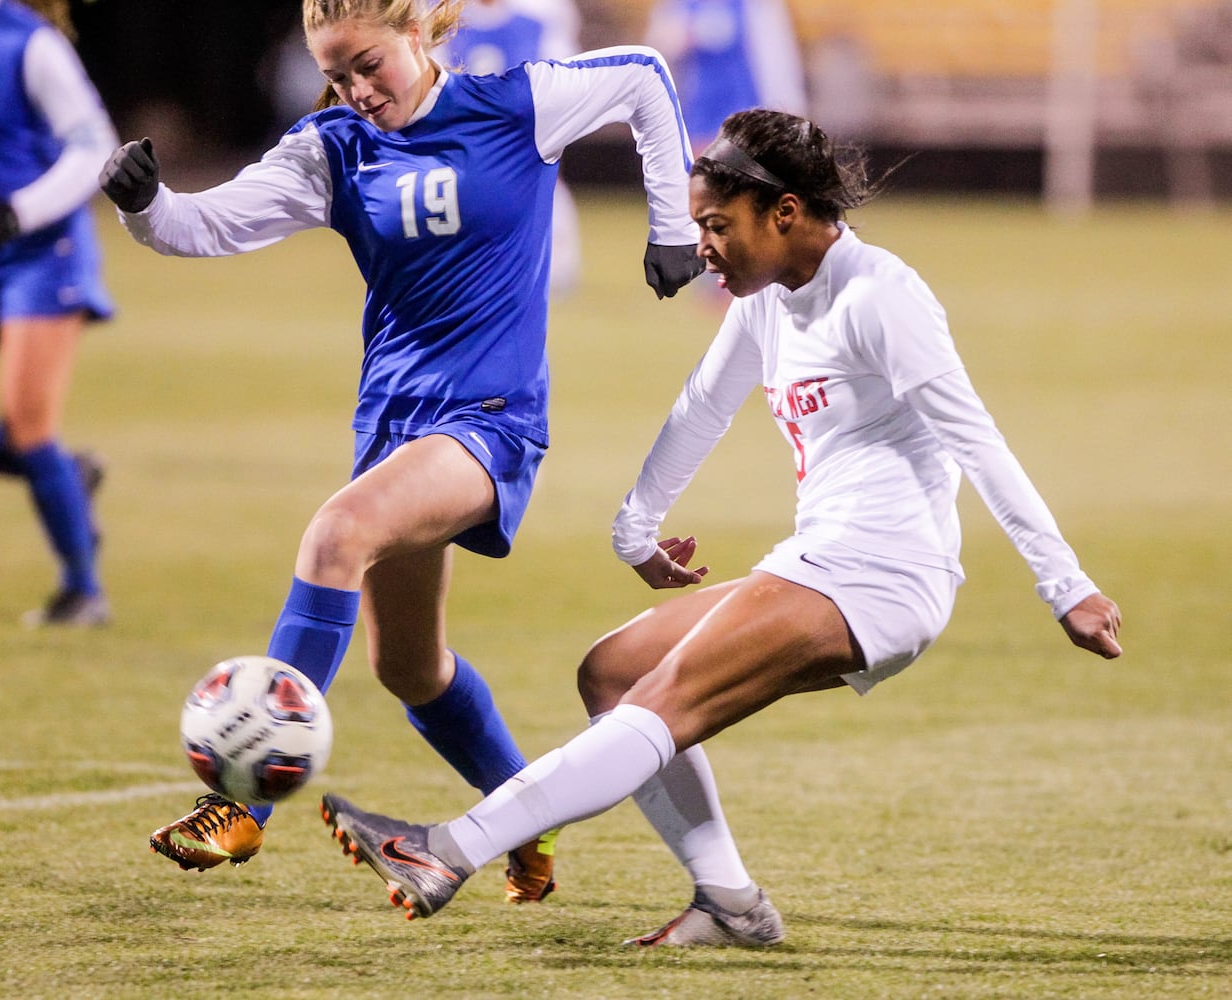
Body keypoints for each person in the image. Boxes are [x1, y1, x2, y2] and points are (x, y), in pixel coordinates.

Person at [316, 109, 1124, 947]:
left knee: (664, 700)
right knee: (615, 673)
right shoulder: (770, 299)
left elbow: (976, 441)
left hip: (883, 573)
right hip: (824, 560)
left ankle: (449, 849)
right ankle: (730, 902)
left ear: (783, 212)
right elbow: (703, 406)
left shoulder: (883, 296)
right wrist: (637, 528)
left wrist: (1066, 584)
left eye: (715, 224)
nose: (701, 244)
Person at [99, 0, 703, 902]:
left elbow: (646, 79)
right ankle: (523, 824)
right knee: (408, 668)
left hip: (490, 421)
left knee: (336, 537)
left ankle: (239, 815)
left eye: (367, 64)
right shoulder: (331, 147)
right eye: (334, 74)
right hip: (392, 426)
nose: (355, 89)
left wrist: (673, 227)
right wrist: (146, 205)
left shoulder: (515, 105)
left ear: (419, 36)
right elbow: (207, 225)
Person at [0, 0, 116, 626]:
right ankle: (66, 477)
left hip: (41, 251)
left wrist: (19, 211)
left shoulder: (31, 44)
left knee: (27, 424)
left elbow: (94, 146)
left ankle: (83, 591)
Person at [436, 0, 582, 292]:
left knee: (544, 189)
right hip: (469, 138)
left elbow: (567, 76)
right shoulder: (446, 21)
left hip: (526, 132)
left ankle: (553, 263)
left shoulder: (537, 20)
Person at [644, 0, 808, 154]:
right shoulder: (682, 4)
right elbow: (658, 46)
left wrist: (790, 104)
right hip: (699, 114)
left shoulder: (757, 5)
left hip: (747, 112)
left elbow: (777, 56)